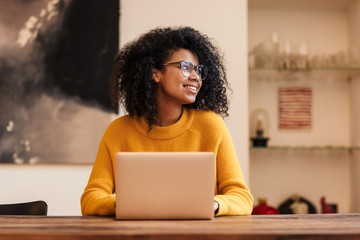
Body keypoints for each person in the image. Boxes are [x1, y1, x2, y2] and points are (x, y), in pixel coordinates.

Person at [81, 26, 253, 216]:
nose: (195, 76)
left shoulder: (211, 126)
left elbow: (242, 197)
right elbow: (91, 199)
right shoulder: (119, 131)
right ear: (156, 73)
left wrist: (211, 204)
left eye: (199, 70)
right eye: (186, 67)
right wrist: (125, 203)